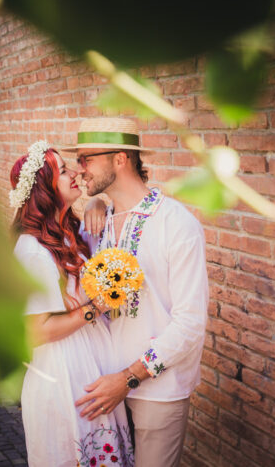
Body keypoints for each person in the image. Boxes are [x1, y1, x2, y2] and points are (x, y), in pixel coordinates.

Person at [64, 117, 209, 467]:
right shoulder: (95, 225)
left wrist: (128, 378)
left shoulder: (177, 224)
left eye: (86, 159)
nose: (79, 169)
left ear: (120, 159)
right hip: (102, 388)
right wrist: (96, 205)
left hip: (158, 392)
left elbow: (190, 324)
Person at [11, 140, 134, 467]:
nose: (75, 174)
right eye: (63, 170)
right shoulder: (32, 250)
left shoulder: (68, 233)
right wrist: (98, 307)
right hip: (63, 373)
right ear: (44, 188)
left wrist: (96, 201)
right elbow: (37, 331)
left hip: (91, 361)